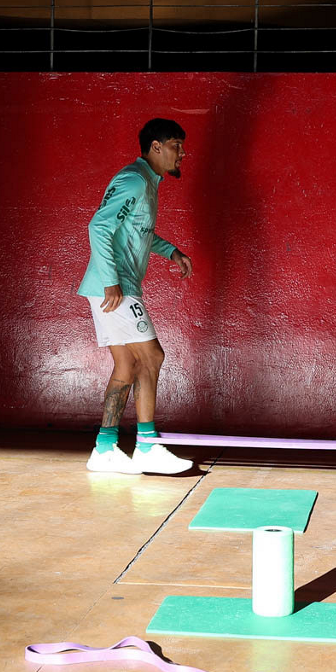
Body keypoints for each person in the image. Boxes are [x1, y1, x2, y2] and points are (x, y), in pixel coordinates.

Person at [78, 118, 195, 474]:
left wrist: (171, 251)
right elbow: (99, 226)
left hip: (107, 286)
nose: (182, 153)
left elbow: (137, 231)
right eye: (176, 145)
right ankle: (146, 446)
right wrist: (112, 281)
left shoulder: (145, 181)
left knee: (128, 366)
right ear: (156, 147)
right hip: (116, 287)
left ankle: (104, 448)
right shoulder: (135, 180)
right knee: (152, 356)